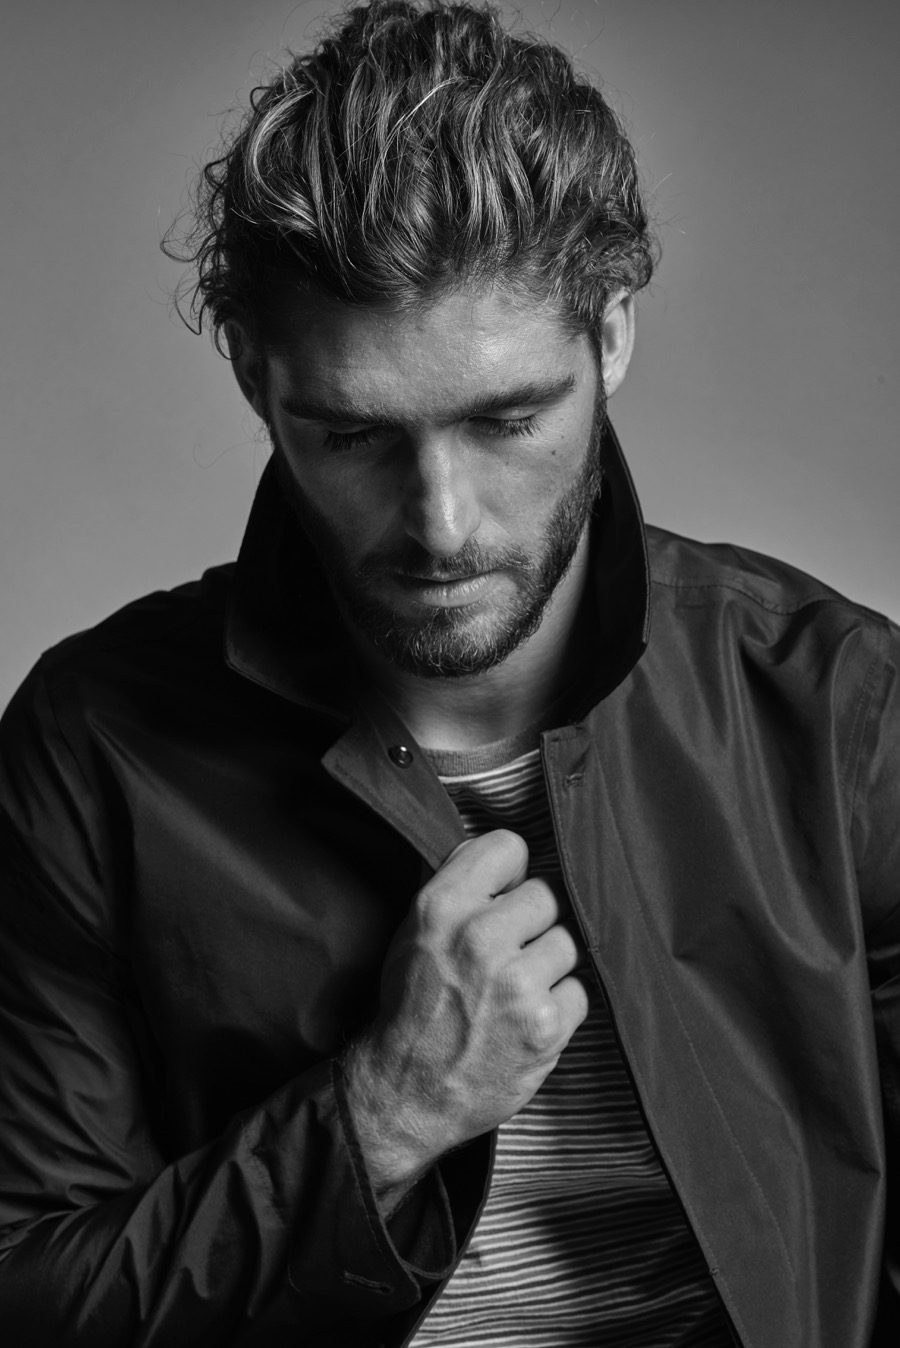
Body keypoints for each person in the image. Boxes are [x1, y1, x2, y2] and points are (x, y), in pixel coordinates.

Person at [0, 1, 897, 1343]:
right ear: (255, 379)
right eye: (354, 437)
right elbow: (28, 1295)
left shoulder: (838, 709)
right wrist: (381, 1113)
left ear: (611, 336)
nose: (443, 523)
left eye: (508, 420)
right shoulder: (94, 747)